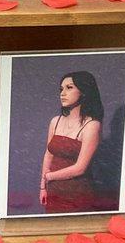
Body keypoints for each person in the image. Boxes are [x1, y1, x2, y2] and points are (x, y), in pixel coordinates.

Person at [39, 71, 103, 213]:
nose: (63, 93)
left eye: (69, 88)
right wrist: (43, 187)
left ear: (83, 92)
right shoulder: (55, 121)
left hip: (78, 194)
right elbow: (48, 155)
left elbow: (80, 168)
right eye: (61, 89)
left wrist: (49, 176)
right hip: (54, 191)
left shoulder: (92, 125)